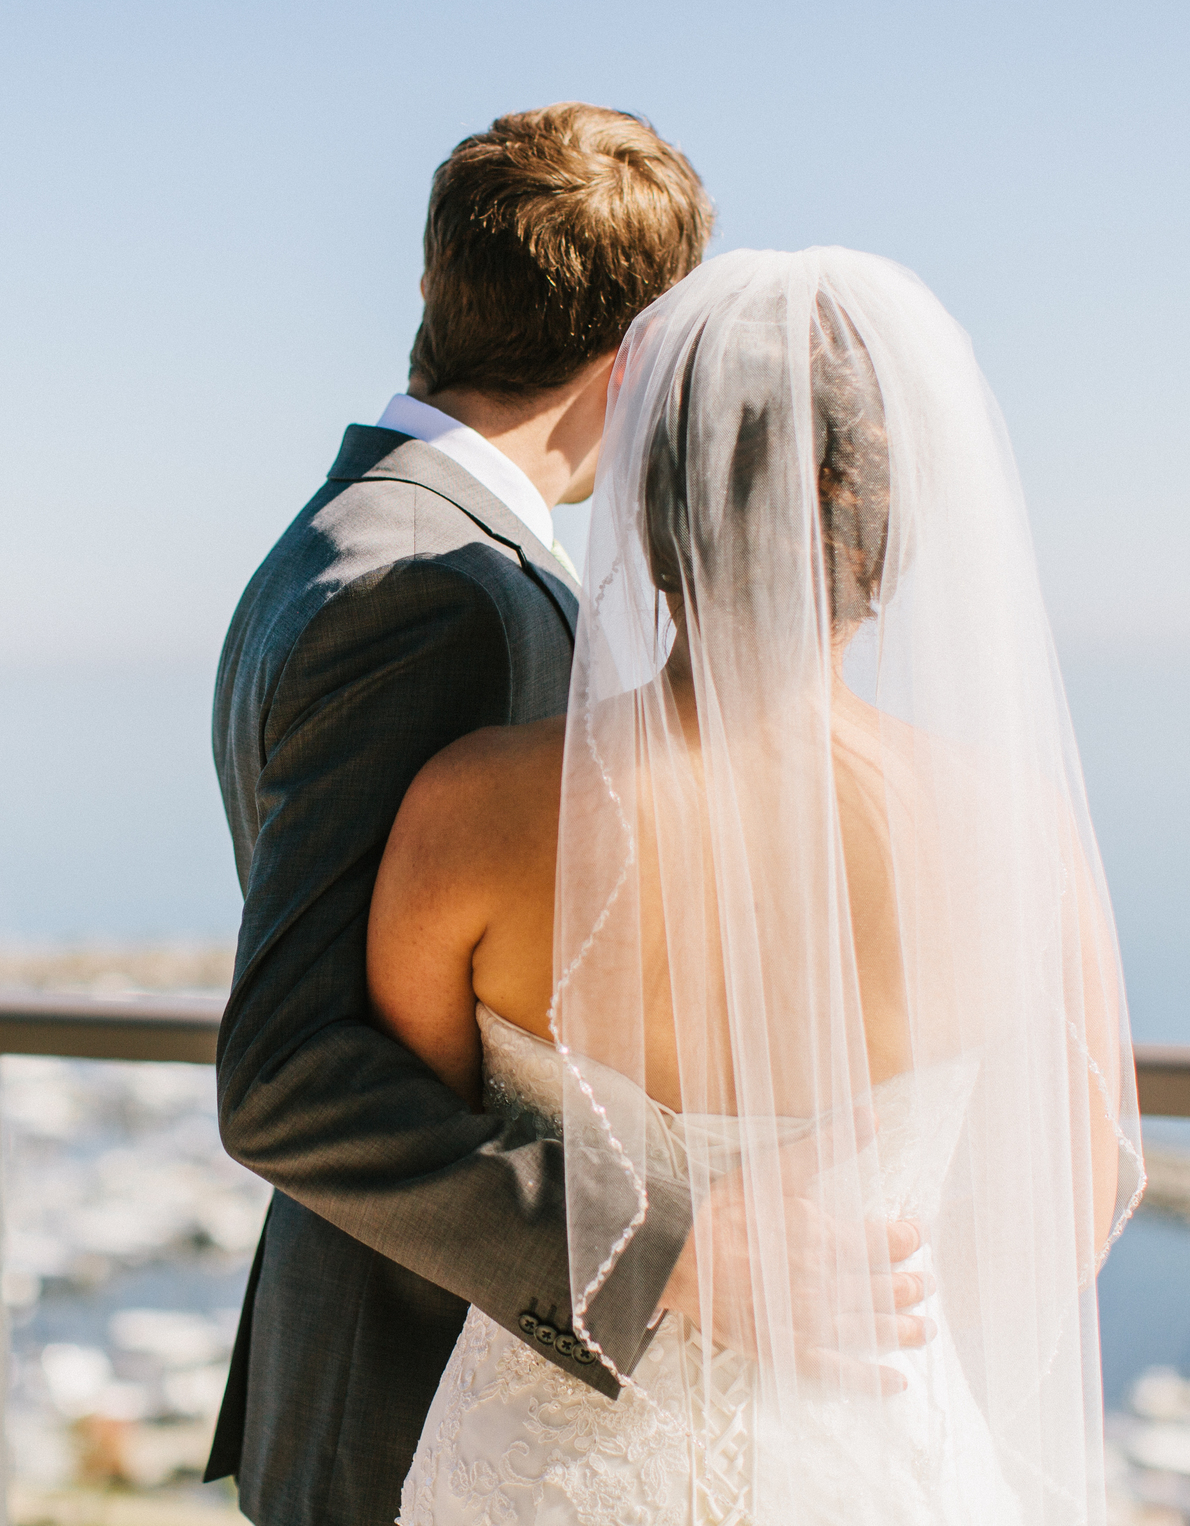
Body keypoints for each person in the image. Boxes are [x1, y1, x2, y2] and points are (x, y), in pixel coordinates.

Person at [206, 108, 932, 1525]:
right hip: (434, 1385)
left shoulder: (348, 529)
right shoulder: (439, 592)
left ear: (436, 289)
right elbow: (290, 1071)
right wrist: (677, 1249)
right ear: (647, 351)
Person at [372, 247, 1146, 1524]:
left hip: (547, 1471)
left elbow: (413, 1149)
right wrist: (856, 1285)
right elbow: (1064, 1199)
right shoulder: (1018, 837)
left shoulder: (472, 812)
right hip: (871, 1457)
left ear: (651, 501)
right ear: (892, 523)